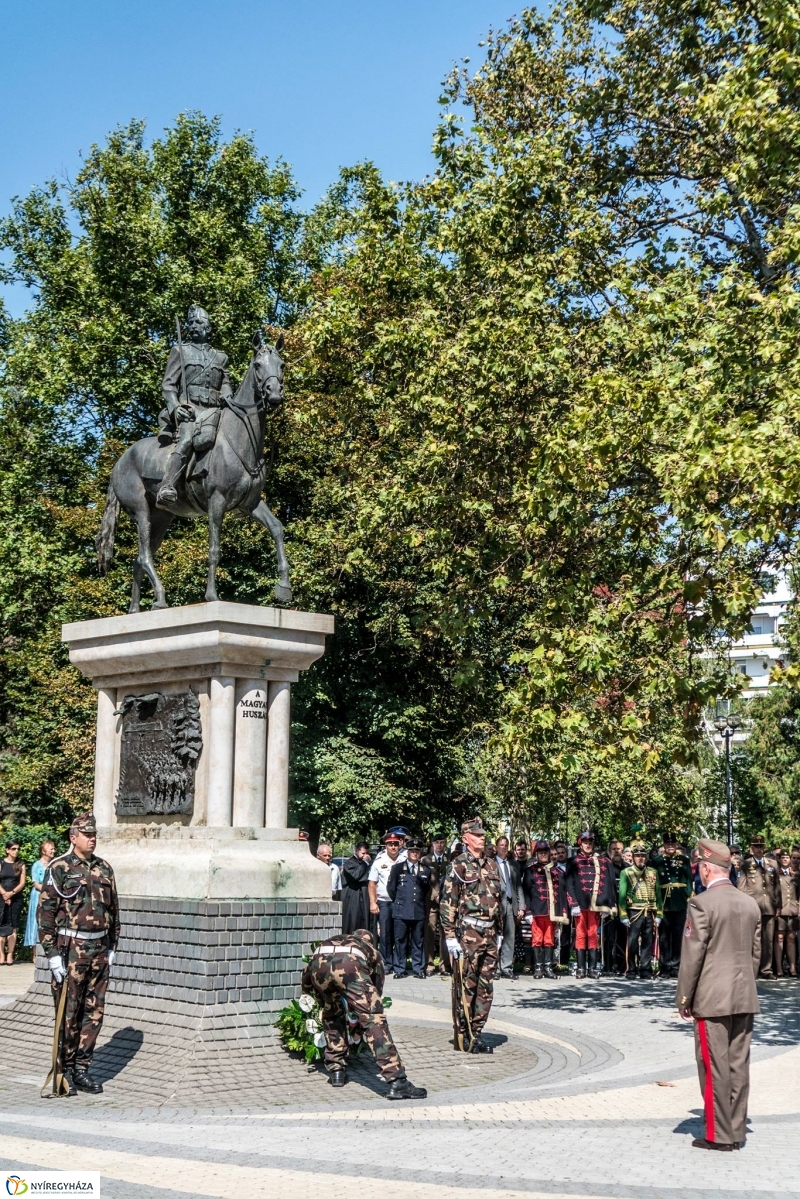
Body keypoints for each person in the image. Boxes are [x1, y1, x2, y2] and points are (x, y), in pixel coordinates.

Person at [677, 838, 761, 1151]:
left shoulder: (702, 903)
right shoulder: (749, 903)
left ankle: (718, 1134)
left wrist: (685, 998)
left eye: (699, 867)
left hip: (711, 999)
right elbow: (755, 956)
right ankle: (736, 1130)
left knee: (714, 1067)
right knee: (739, 1065)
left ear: (706, 869)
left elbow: (692, 956)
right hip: (744, 995)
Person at [38, 812, 120, 1095]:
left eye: (94, 834)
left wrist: (112, 946)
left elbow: (114, 910)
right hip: (71, 949)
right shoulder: (59, 868)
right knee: (68, 1012)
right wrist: (51, 954)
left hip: (98, 948)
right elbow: (46, 913)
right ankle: (63, 1069)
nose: (92, 838)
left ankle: (82, 1069)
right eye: (87, 834)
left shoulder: (104, 868)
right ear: (74, 838)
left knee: (93, 1011)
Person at [301, 929, 426, 1099]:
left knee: (332, 1013)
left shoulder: (336, 940)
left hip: (318, 967)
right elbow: (376, 991)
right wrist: (362, 1018)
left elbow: (306, 977)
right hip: (350, 966)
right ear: (369, 941)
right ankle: (396, 1080)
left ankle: (336, 1069)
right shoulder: (370, 950)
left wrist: (315, 996)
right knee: (374, 1020)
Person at [156, 305, 234, 507]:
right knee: (187, 440)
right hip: (190, 411)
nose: (193, 326)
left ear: (208, 327)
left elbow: (225, 384)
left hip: (214, 412)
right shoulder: (180, 351)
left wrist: (228, 396)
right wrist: (175, 407)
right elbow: (168, 384)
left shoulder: (221, 357)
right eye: (190, 323)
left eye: (198, 322)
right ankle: (167, 485)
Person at [441, 817, 502, 1053]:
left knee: (485, 987)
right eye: (477, 835)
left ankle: (477, 1033)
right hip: (469, 932)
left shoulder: (492, 865)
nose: (482, 837)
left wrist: (500, 932)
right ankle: (463, 1034)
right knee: (466, 984)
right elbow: (448, 902)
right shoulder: (458, 865)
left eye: (483, 834)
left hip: (490, 932)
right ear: (466, 839)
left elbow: (498, 900)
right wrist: (449, 936)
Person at [564, 830, 617, 979]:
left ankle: (593, 968)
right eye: (585, 842)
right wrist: (573, 903)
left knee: (593, 935)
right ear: (580, 844)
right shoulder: (572, 861)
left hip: (595, 905)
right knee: (580, 935)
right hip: (579, 905)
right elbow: (569, 884)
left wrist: (608, 904)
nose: (588, 845)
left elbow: (609, 883)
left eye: (590, 843)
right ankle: (581, 968)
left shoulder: (602, 861)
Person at [522, 840, 568, 978]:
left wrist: (563, 911)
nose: (543, 855)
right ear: (536, 854)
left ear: (549, 853)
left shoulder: (558, 871)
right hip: (536, 911)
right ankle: (537, 968)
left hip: (552, 912)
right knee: (536, 940)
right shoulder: (530, 871)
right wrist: (528, 911)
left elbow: (562, 893)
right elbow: (526, 893)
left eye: (545, 852)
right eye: (540, 852)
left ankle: (548, 967)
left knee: (549, 940)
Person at [737, 836, 780, 979]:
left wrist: (778, 905)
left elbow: (777, 886)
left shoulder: (772, 864)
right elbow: (741, 887)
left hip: (769, 906)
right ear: (752, 848)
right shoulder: (746, 864)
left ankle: (766, 969)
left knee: (768, 940)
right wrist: (743, 906)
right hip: (752, 906)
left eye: (761, 846)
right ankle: (752, 969)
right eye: (757, 846)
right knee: (753, 939)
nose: (759, 849)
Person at [619, 842, 663, 979]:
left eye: (642, 856)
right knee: (632, 942)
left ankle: (645, 969)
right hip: (634, 911)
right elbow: (622, 895)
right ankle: (631, 969)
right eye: (637, 856)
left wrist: (659, 914)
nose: (640, 858)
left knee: (647, 941)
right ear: (633, 857)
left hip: (649, 911)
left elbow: (658, 894)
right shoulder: (626, 873)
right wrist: (623, 915)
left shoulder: (652, 872)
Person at [388, 839, 430, 978]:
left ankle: (418, 968)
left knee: (418, 941)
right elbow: (391, 889)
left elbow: (426, 891)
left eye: (417, 851)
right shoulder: (398, 868)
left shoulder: (426, 870)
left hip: (418, 910)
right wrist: (400, 902)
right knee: (400, 940)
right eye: (412, 851)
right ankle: (399, 969)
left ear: (420, 853)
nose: (414, 854)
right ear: (407, 852)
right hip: (401, 910)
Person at [653, 833, 693, 977]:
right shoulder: (657, 861)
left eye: (673, 844)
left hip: (679, 900)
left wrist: (688, 895)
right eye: (667, 844)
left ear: (676, 845)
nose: (670, 846)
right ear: (663, 845)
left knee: (678, 936)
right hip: (664, 901)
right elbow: (654, 882)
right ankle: (665, 966)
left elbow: (689, 878)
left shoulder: (683, 859)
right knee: (664, 936)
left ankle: (676, 966)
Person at [368, 834, 404, 976]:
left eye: (396, 844)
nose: (393, 847)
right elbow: (372, 883)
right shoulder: (379, 861)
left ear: (400, 844)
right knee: (385, 934)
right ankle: (386, 963)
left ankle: (399, 964)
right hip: (384, 902)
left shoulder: (405, 860)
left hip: (401, 903)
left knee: (400, 935)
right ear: (386, 846)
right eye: (390, 844)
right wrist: (372, 902)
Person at [421, 835, 450, 976]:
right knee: (429, 933)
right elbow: (425, 881)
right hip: (430, 902)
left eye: (442, 842)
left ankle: (444, 966)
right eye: (437, 842)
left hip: (446, 902)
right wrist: (435, 895)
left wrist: (444, 896)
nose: (439, 845)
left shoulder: (450, 859)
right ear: (432, 844)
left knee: (446, 933)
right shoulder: (425, 860)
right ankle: (429, 964)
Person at [24, 838, 56, 949]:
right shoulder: (37, 865)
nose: (53, 851)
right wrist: (48, 890)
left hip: (51, 897)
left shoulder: (54, 864)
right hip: (38, 896)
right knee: (36, 922)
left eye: (54, 849)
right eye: (51, 849)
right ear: (43, 851)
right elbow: (36, 883)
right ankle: (35, 953)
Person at [494, 836, 518, 980]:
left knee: (510, 937)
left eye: (506, 845)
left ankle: (506, 967)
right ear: (496, 847)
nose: (504, 847)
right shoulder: (491, 864)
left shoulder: (513, 865)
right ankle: (495, 968)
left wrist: (521, 906)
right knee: (497, 937)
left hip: (511, 903)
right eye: (501, 845)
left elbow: (518, 887)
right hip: (497, 905)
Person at [0, 840, 27, 965]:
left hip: (15, 898)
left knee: (13, 926)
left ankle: (10, 954)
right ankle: (1, 954)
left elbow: (22, 883)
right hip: (1, 897)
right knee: (1, 925)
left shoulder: (21, 864)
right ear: (7, 850)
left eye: (17, 849)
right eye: (13, 849)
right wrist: (4, 894)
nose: (16, 851)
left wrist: (11, 893)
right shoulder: (1, 862)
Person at [341, 842, 374, 936]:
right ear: (356, 851)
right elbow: (355, 876)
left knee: (366, 923)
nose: (365, 856)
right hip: (353, 897)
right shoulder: (350, 863)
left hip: (365, 897)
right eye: (363, 853)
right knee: (353, 923)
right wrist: (365, 863)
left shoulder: (369, 864)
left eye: (367, 853)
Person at [774, 850, 799, 978]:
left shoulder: (796, 875)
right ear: (779, 859)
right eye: (782, 857)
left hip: (793, 910)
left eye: (786, 857)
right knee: (779, 938)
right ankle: (779, 968)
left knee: (791, 938)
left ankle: (793, 967)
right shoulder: (776, 874)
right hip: (781, 910)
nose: (785, 859)